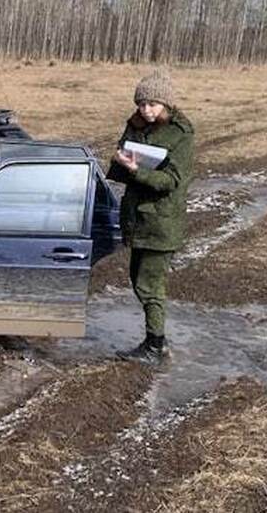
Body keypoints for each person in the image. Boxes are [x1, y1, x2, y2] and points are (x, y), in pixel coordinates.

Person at [107, 69, 194, 364]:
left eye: (153, 104)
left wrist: (137, 171)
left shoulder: (180, 134)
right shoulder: (135, 125)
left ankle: (155, 346)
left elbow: (171, 181)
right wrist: (121, 162)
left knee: (149, 284)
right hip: (137, 216)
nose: (146, 110)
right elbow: (120, 169)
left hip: (161, 220)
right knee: (137, 279)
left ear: (166, 104)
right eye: (142, 104)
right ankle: (158, 340)